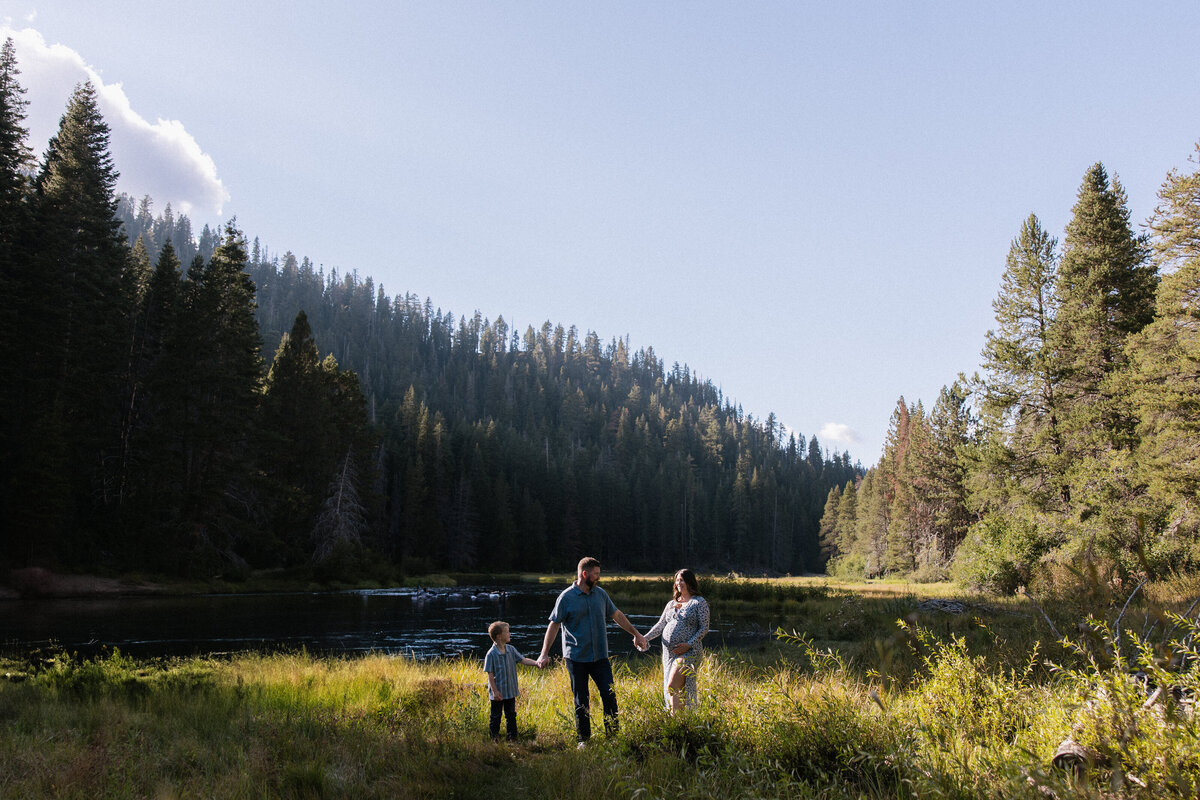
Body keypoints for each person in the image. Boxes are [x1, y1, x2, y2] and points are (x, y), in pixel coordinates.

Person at [536, 556, 647, 744]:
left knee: (609, 695)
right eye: (595, 574)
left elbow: (617, 615)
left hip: (600, 657)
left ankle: (612, 737)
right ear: (584, 574)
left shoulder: (601, 594)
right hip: (576, 658)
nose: (599, 578)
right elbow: (553, 625)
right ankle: (583, 741)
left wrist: (636, 633)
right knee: (581, 700)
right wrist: (544, 653)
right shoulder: (566, 597)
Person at [643, 568, 710, 712]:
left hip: (690, 651)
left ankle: (678, 722)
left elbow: (704, 628)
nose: (679, 583)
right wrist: (644, 638)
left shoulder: (699, 602)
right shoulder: (671, 604)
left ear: (689, 582)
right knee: (676, 688)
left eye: (682, 580)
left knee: (673, 684)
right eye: (677, 580)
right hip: (669, 654)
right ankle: (680, 720)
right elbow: (660, 625)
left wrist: (688, 644)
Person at [483, 620, 539, 741]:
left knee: (511, 715)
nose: (509, 634)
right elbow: (490, 675)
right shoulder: (491, 654)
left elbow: (523, 660)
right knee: (496, 716)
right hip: (498, 693)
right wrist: (495, 691)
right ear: (499, 636)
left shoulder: (511, 649)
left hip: (510, 691)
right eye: (507, 632)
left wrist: (536, 663)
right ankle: (494, 738)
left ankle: (512, 738)